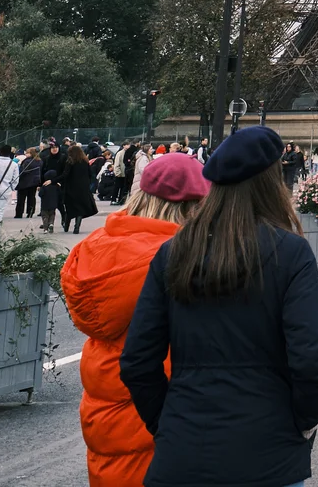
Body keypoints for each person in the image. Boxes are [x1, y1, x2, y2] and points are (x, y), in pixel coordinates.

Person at [121, 127, 318, 487]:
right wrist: (303, 422)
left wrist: (166, 422)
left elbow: (138, 361)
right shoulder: (291, 253)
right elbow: (309, 359)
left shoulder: (173, 253)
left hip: (182, 450)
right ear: (271, 183)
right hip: (269, 451)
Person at [63, 153, 210, 487]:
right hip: (159, 425)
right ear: (190, 207)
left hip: (106, 419)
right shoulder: (178, 261)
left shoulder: (96, 248)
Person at [60, 143, 100, 235]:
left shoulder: (70, 161)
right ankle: (77, 227)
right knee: (80, 209)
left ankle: (66, 225)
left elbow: (65, 175)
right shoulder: (85, 161)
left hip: (71, 188)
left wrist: (54, 180)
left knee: (70, 207)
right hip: (83, 188)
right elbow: (90, 174)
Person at [14, 144, 43, 220]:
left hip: (24, 182)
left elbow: (22, 172)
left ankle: (19, 213)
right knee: (31, 198)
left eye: (27, 153)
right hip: (34, 183)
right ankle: (30, 212)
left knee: (21, 199)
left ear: (31, 153)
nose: (25, 154)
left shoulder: (27, 162)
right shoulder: (39, 161)